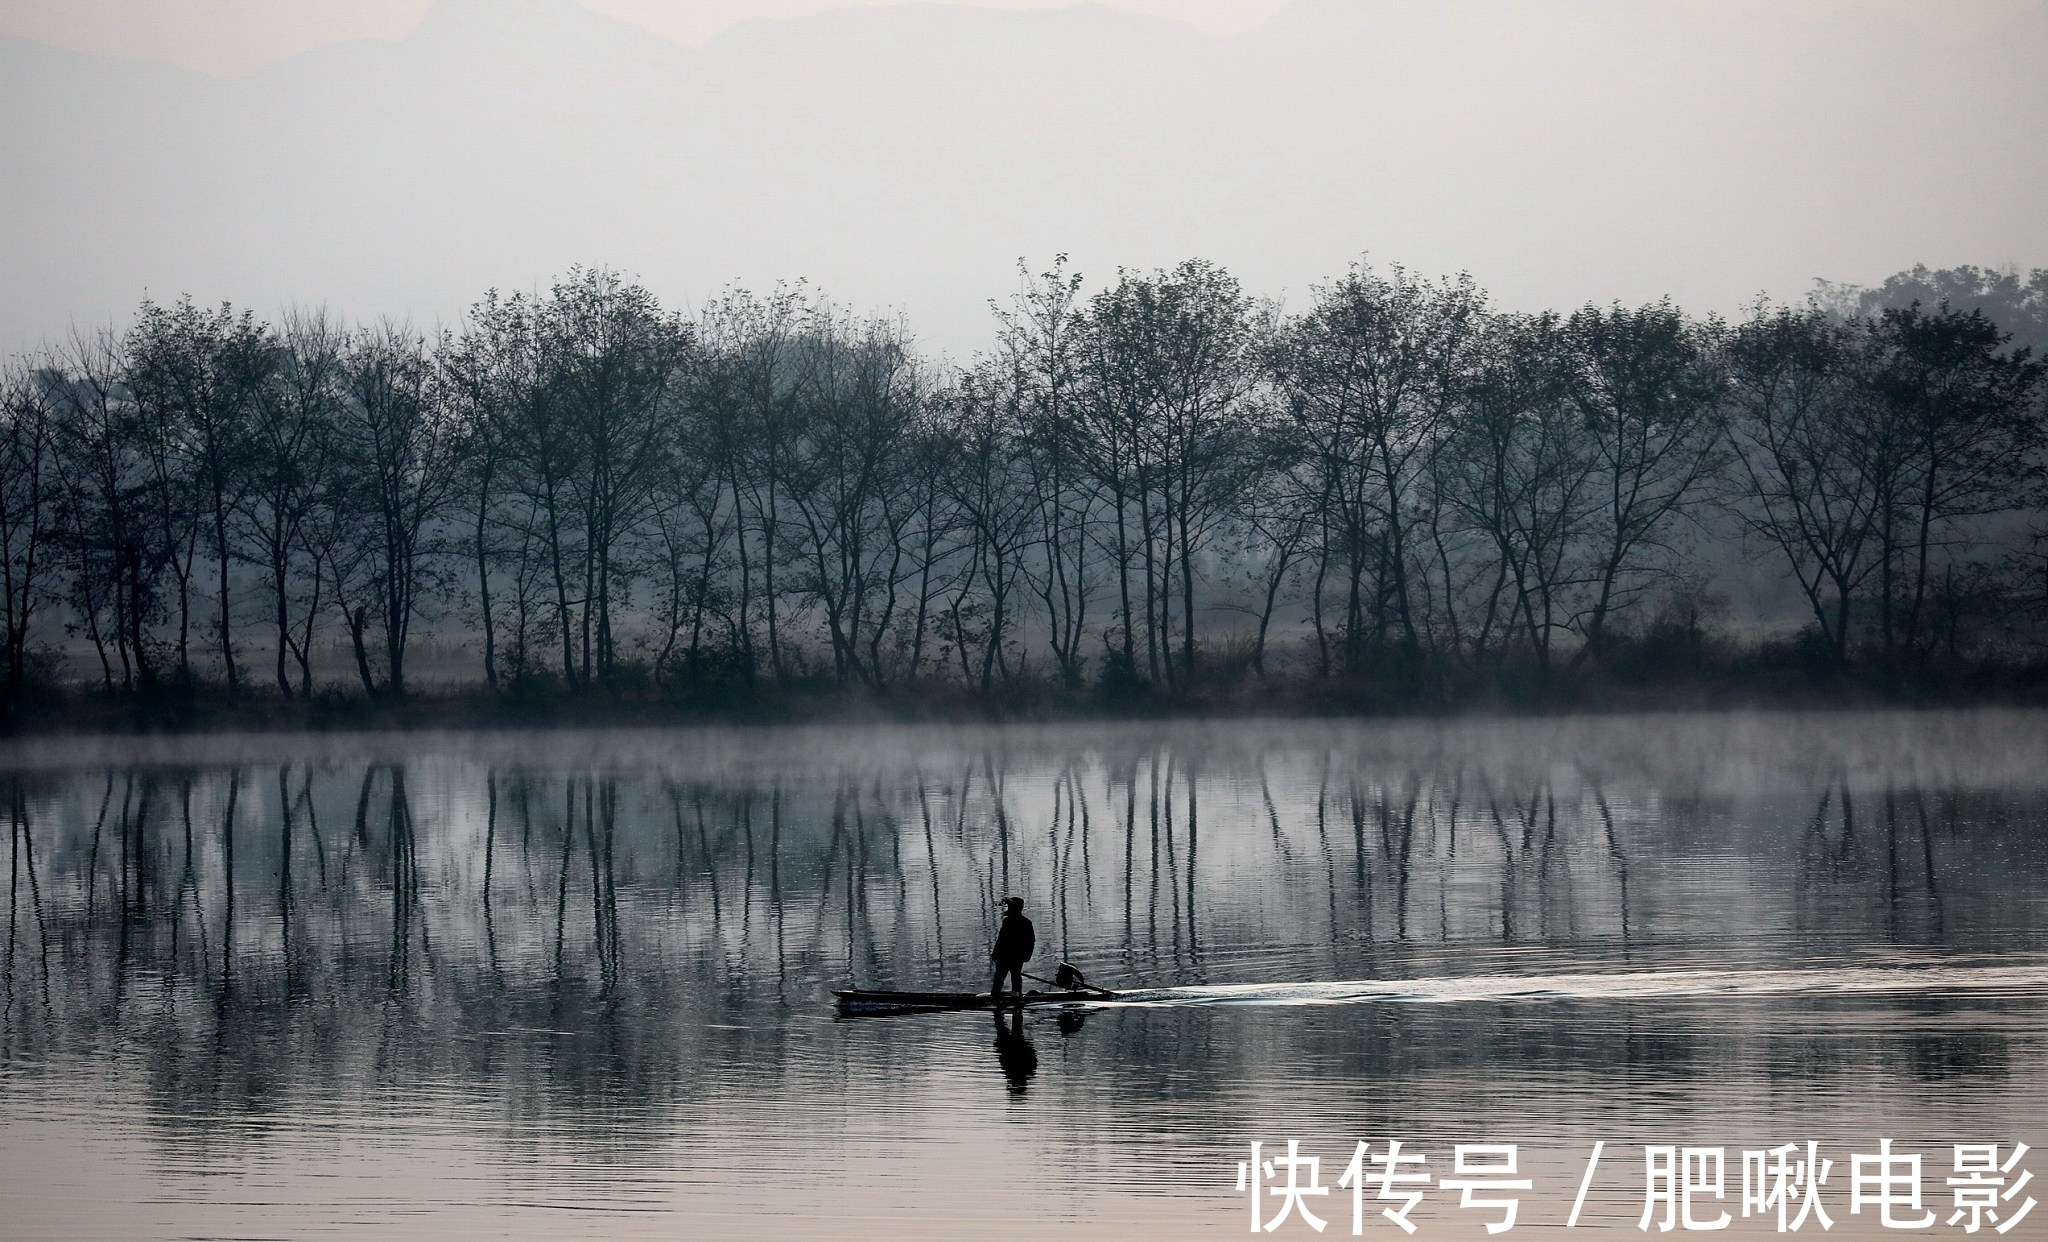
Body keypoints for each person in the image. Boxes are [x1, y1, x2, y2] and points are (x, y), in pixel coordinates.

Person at [989, 895, 1034, 998]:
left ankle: (1015, 997)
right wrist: (995, 954)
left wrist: (1027, 956)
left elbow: (1030, 941)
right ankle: (998, 997)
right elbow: (1001, 940)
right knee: (1001, 978)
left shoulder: (1024, 923)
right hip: (1005, 956)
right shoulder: (1009, 922)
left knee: (1013, 978)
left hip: (1015, 957)